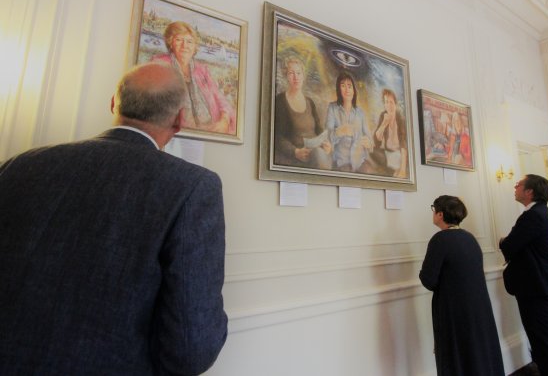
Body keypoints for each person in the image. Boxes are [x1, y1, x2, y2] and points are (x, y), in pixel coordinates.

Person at [0, 63, 228, 375]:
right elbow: (192, 347)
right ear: (179, 120)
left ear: (113, 104)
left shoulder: (19, 164)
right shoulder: (193, 187)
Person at [420, 195, 504, 376]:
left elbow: (428, 279)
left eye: (434, 209)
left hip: (453, 310)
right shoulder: (470, 238)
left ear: (440, 214)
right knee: (475, 353)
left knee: (456, 357)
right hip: (476, 308)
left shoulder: (440, 240)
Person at [499, 174, 548, 376]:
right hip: (537, 287)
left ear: (529, 191)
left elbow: (511, 244)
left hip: (536, 288)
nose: (515, 186)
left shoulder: (533, 215)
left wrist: (502, 241)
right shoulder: (540, 213)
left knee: (546, 345)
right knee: (543, 343)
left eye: (518, 184)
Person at [154, 20, 236, 134]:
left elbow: (220, 97)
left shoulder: (202, 70)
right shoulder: (159, 65)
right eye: (179, 40)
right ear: (170, 43)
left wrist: (225, 119)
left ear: (194, 47)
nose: (185, 45)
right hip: (178, 134)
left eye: (189, 41)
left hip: (210, 130)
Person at [274, 55, 331, 169]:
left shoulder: (310, 102)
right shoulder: (280, 101)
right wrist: (295, 152)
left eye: (299, 73)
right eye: (291, 73)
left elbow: (319, 130)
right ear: (286, 76)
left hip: (315, 153)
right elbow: (277, 137)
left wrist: (326, 143)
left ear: (303, 76)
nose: (296, 77)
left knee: (323, 156)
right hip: (296, 157)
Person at [325, 71, 373, 172]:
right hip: (341, 163)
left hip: (360, 162)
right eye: (343, 85)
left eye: (349, 86)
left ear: (354, 90)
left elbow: (370, 139)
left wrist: (369, 143)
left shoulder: (361, 113)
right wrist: (339, 132)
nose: (347, 89)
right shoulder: (332, 108)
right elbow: (327, 137)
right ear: (338, 89)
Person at [372, 88, 407, 177]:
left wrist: (402, 170)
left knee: (401, 162)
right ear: (384, 104)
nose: (389, 105)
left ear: (395, 104)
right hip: (388, 153)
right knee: (372, 151)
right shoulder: (383, 115)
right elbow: (377, 141)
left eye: (391, 102)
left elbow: (403, 144)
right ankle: (393, 170)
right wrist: (383, 124)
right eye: (386, 102)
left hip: (399, 154)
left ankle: (397, 168)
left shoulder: (401, 119)